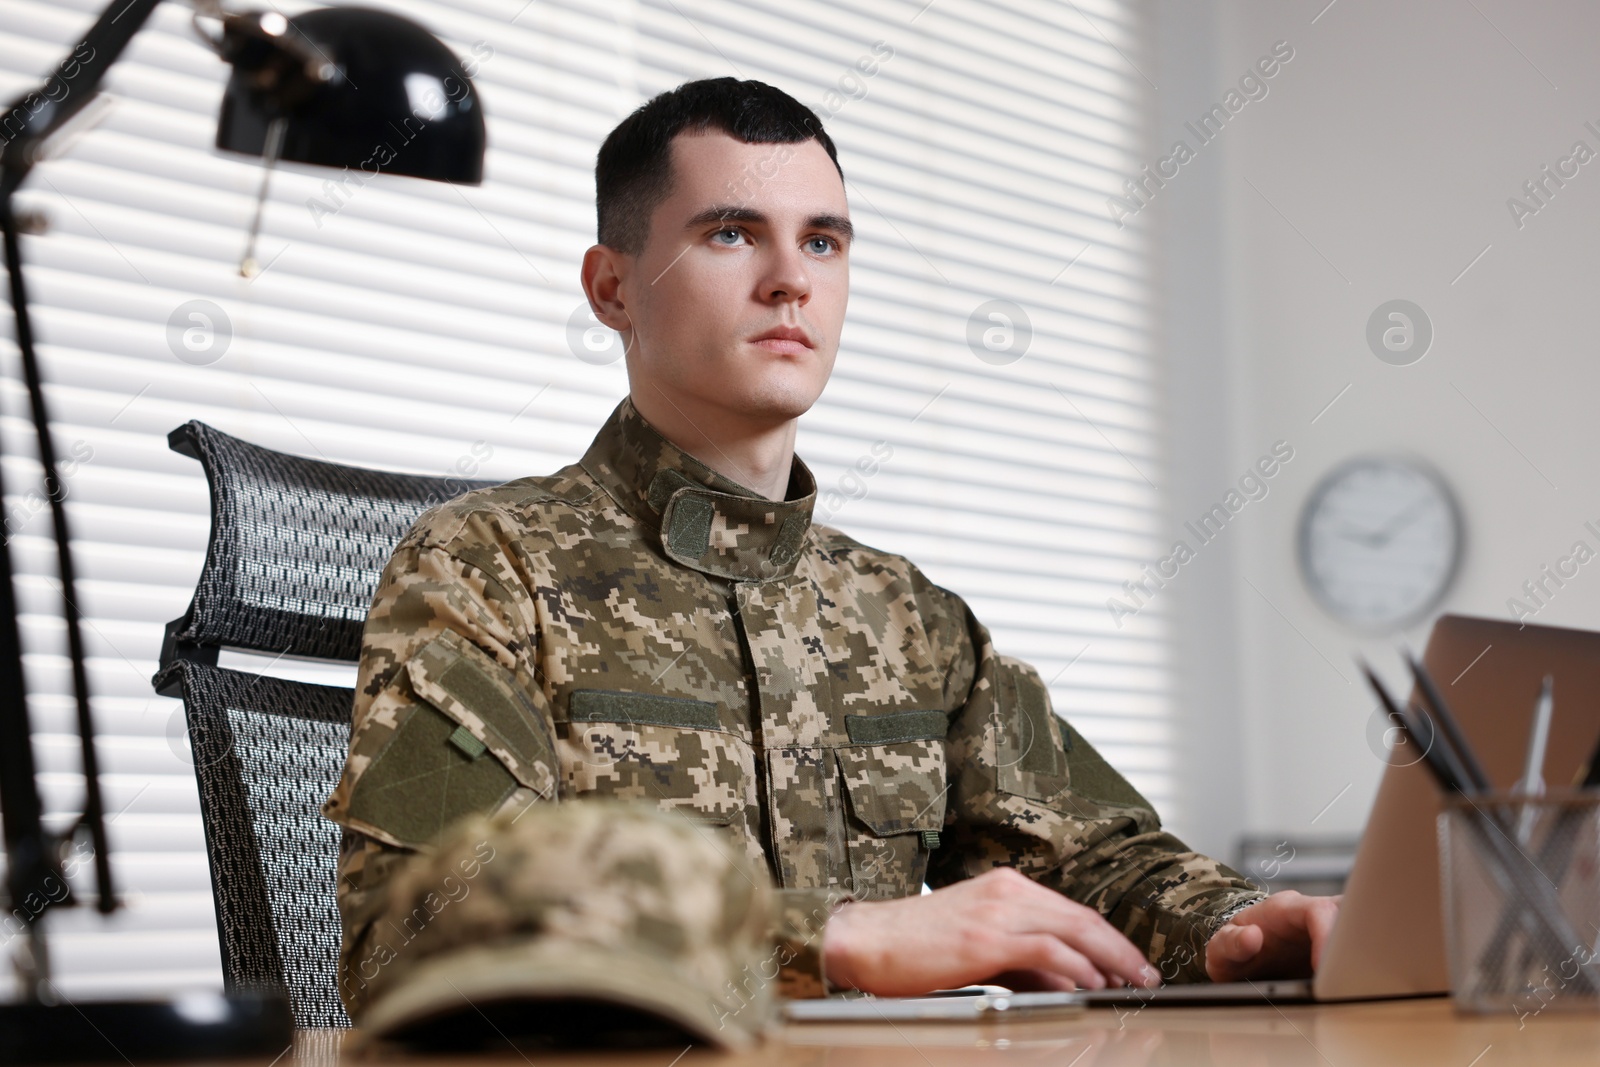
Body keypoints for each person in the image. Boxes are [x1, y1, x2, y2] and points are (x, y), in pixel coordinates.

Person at [323, 77, 1338, 1017]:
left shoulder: (904, 614)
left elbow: (1094, 858)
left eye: (823, 241)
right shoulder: (487, 563)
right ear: (613, 288)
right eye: (731, 234)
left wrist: (1246, 927)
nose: (788, 281)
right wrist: (837, 938)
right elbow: (408, 929)